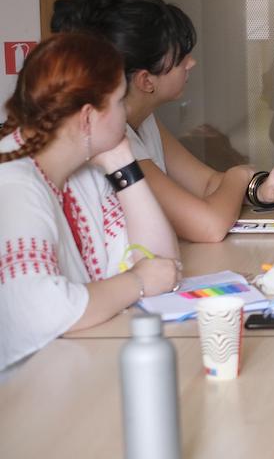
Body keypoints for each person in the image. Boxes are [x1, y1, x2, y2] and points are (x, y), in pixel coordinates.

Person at [51, 0, 274, 243]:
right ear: (146, 81)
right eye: (180, 57)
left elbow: (207, 184)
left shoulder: (144, 120)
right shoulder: (114, 141)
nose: (191, 63)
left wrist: (260, 188)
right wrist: (241, 174)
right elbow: (208, 226)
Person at [0, 32, 182, 370]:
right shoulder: (13, 185)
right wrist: (138, 282)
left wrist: (122, 162)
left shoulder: (82, 167)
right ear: (87, 118)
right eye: (120, 101)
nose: (127, 111)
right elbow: (43, 312)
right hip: (22, 387)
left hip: (73, 363)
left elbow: (161, 263)